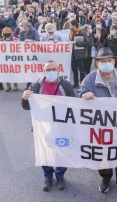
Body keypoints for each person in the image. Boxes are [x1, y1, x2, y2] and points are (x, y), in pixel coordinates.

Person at [77, 47, 117, 198]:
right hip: (101, 126)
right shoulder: (90, 78)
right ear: (97, 63)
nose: (107, 64)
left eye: (109, 61)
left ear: (114, 61)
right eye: (103, 61)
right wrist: (84, 94)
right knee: (103, 154)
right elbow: (79, 93)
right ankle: (105, 177)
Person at [22, 60, 74, 191]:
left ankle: (60, 175)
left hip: (62, 124)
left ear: (58, 70)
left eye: (54, 69)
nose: (51, 72)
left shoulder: (66, 85)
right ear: (44, 72)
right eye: (48, 70)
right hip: (43, 126)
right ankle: (48, 176)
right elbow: (26, 107)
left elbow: (75, 104)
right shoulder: (35, 86)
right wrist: (25, 98)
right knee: (45, 151)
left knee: (62, 150)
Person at [70, 20, 89, 88]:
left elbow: (87, 42)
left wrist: (76, 43)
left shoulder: (82, 32)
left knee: (81, 70)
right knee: (74, 70)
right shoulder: (71, 32)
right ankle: (75, 83)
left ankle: (82, 83)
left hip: (80, 54)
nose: (70, 27)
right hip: (73, 54)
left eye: (71, 25)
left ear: (74, 26)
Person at [1, 27, 18, 92]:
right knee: (6, 72)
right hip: (4, 59)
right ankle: (8, 85)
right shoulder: (1, 40)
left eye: (8, 31)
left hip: (13, 58)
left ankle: (15, 85)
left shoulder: (14, 39)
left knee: (14, 72)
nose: (6, 32)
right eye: (5, 31)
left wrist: (17, 42)